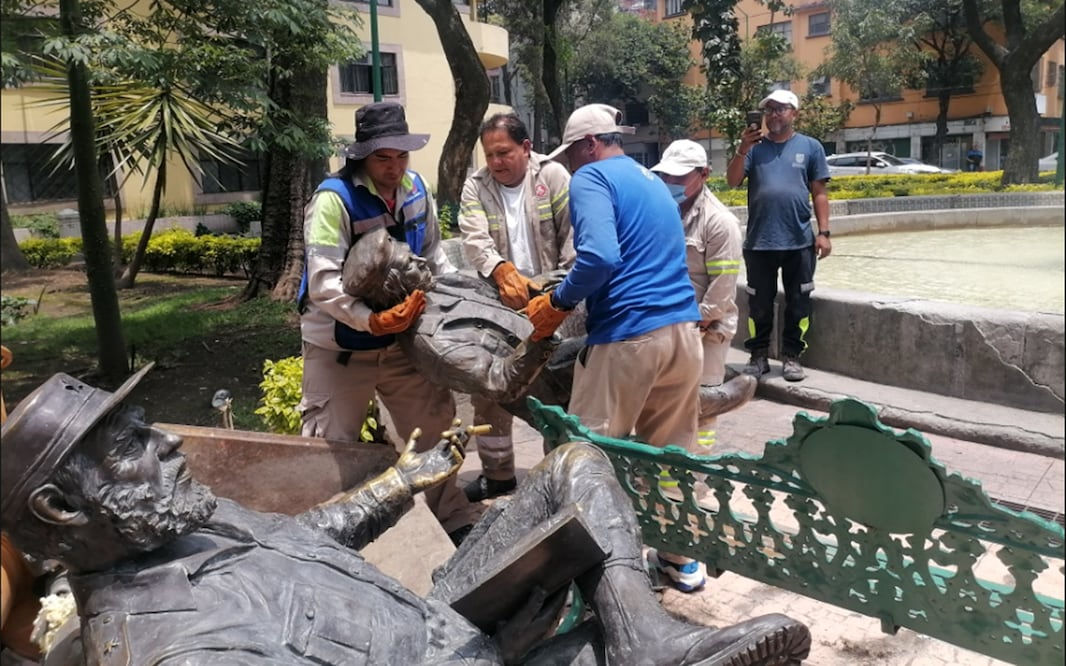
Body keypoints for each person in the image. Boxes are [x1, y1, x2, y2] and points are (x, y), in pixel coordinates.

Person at [0, 370, 813, 665]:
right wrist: (496, 650)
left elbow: (303, 535)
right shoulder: (170, 648)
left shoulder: (173, 524)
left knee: (570, 469)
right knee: (599, 621)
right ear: (62, 508)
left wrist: (401, 482)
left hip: (443, 618)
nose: (169, 440)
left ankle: (651, 646)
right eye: (132, 445)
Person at [526, 104, 709, 593]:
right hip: (683, 336)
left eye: (574, 155)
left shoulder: (593, 180)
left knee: (585, 454)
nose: (573, 167)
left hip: (630, 337)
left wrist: (558, 303)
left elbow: (602, 256)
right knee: (669, 457)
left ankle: (590, 578)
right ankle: (680, 561)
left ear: (590, 145)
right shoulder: (652, 182)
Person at [297, 101, 477, 543]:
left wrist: (449, 306)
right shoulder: (332, 201)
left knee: (434, 427)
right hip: (339, 347)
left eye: (401, 156)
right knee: (331, 445)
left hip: (401, 343)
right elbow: (322, 283)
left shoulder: (417, 189)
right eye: (383, 158)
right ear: (362, 156)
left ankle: (449, 518)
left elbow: (435, 255)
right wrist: (369, 320)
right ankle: (325, 540)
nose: (395, 167)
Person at [458, 112, 575, 502]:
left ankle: (559, 479)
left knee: (560, 393)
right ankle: (498, 476)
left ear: (526, 148)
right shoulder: (476, 186)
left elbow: (574, 241)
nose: (496, 162)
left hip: (555, 304)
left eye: (504, 152)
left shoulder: (554, 178)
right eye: (489, 155)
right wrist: (500, 269)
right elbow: (474, 238)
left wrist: (556, 294)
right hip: (498, 308)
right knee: (490, 394)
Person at [726, 90, 831, 383]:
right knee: (758, 303)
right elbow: (733, 181)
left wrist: (823, 233)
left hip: (799, 241)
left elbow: (820, 193)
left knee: (799, 303)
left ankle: (792, 357)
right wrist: (742, 149)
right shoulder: (754, 149)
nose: (774, 115)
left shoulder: (810, 147)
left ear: (793, 113)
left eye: (781, 109)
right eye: (769, 110)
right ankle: (758, 356)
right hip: (760, 242)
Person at [652, 139, 744, 454]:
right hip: (670, 326)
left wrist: (692, 323)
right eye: (666, 176)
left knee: (702, 407)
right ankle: (665, 472)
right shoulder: (662, 212)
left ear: (703, 174)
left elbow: (721, 292)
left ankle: (697, 474)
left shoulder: (720, 223)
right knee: (666, 402)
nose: (670, 183)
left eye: (679, 177)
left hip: (707, 329)